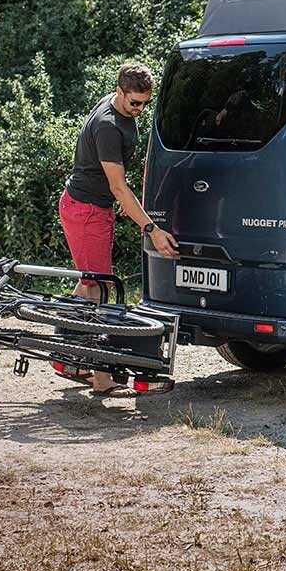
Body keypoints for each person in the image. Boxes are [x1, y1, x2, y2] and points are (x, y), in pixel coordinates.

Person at [58, 62, 179, 396]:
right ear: (120, 91)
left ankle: (68, 355)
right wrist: (151, 228)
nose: (139, 109)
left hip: (93, 207)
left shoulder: (116, 107)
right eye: (134, 102)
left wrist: (126, 204)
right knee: (99, 289)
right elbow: (118, 185)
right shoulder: (110, 127)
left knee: (90, 286)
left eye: (144, 103)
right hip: (86, 211)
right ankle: (100, 378)